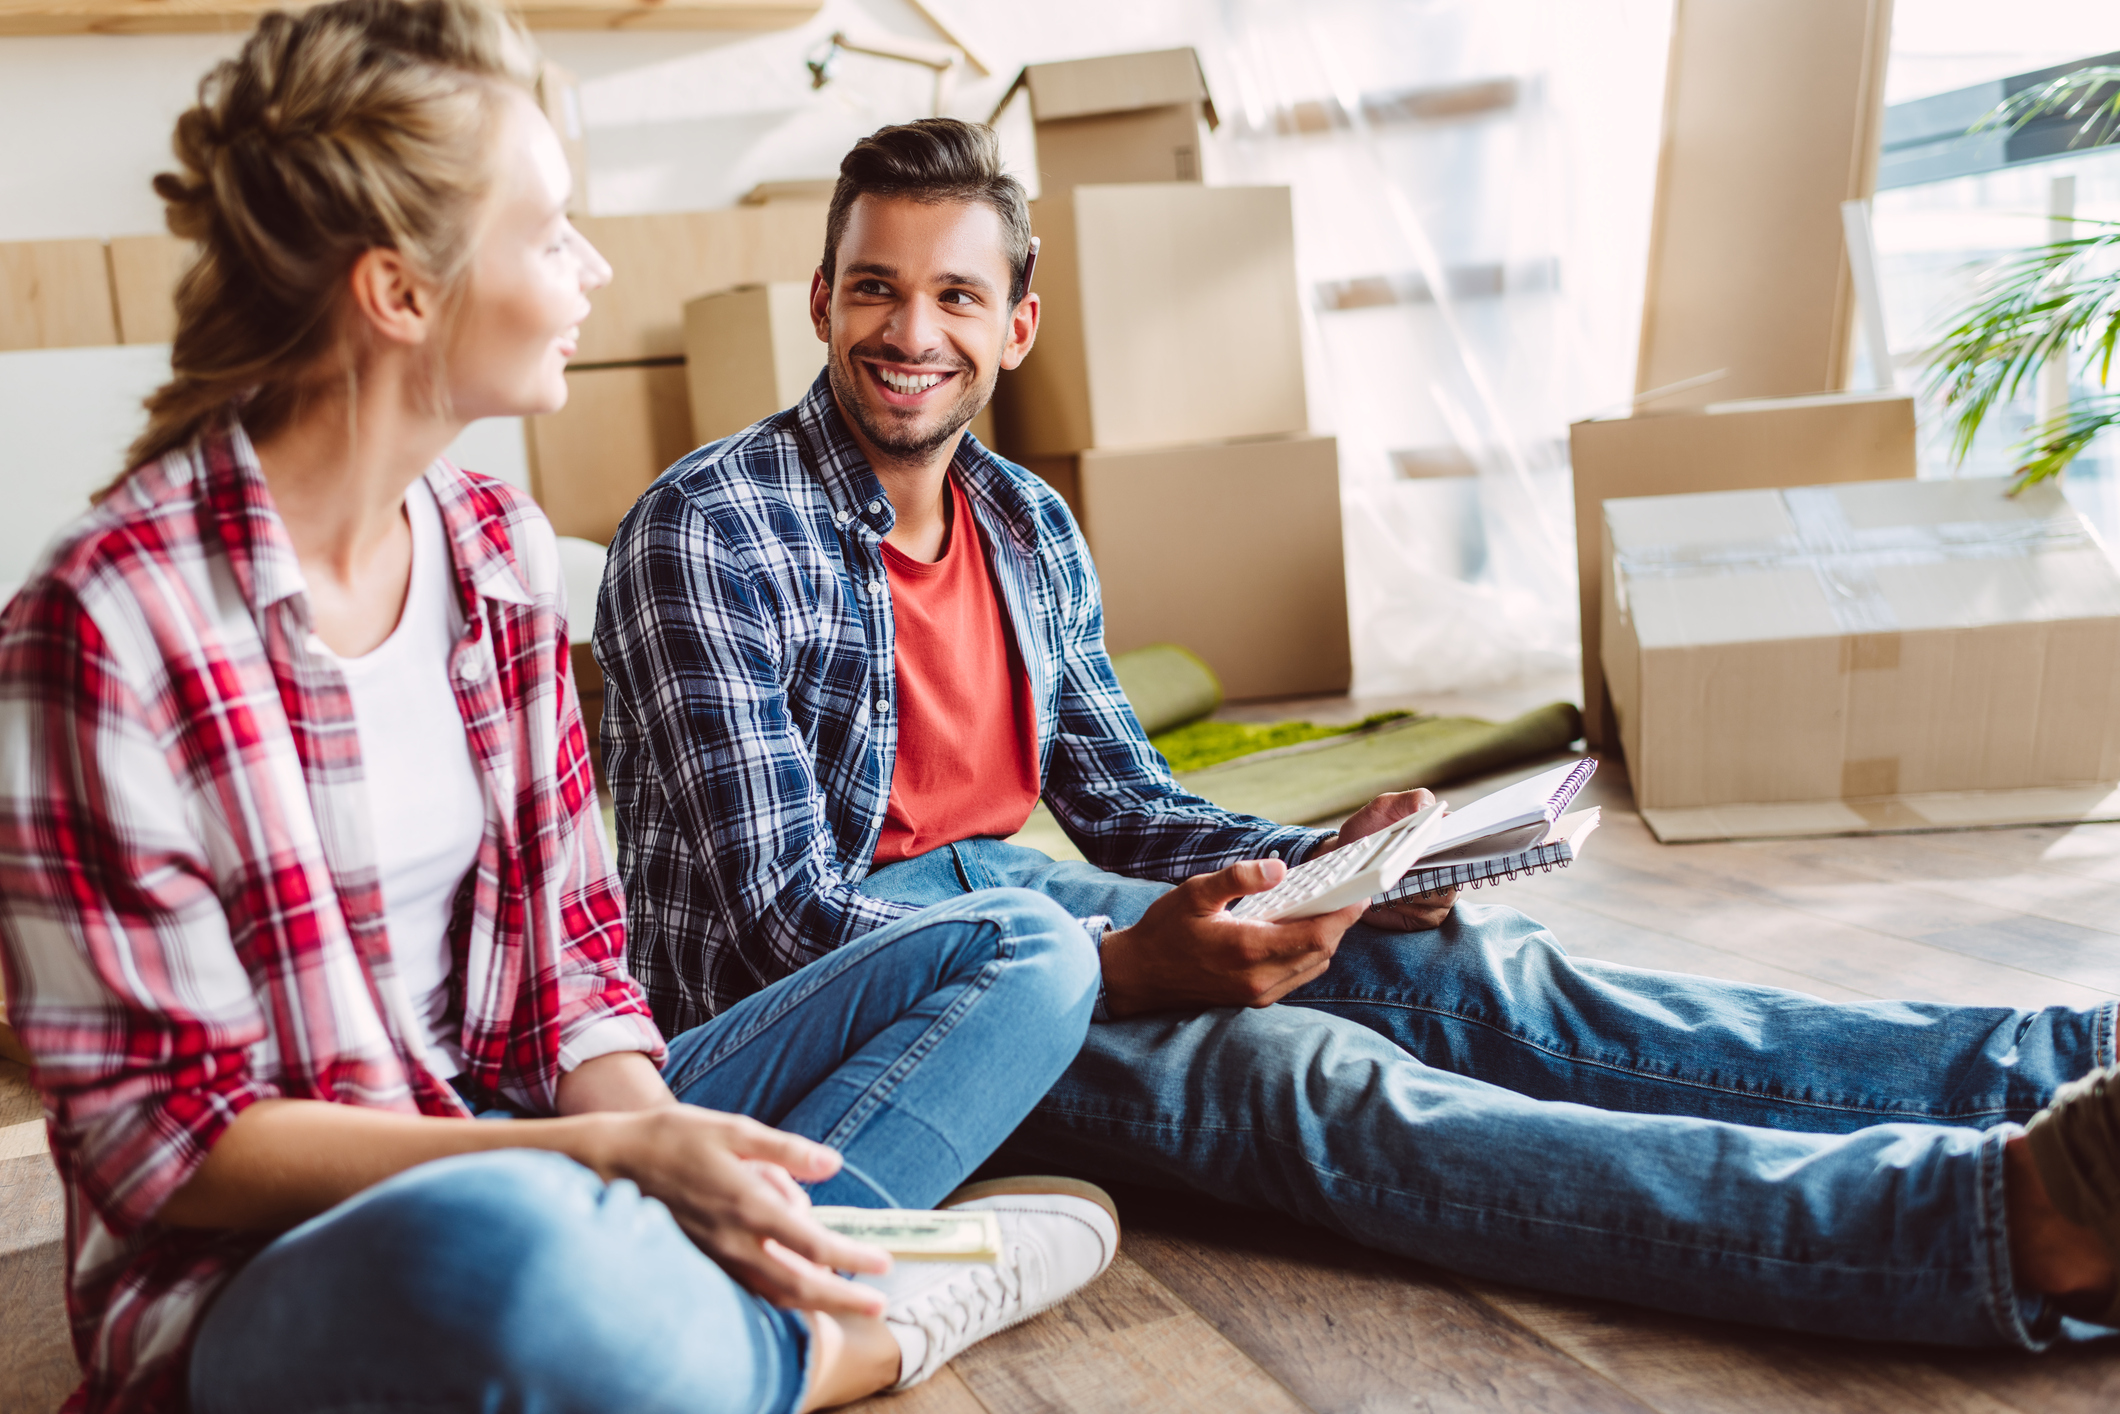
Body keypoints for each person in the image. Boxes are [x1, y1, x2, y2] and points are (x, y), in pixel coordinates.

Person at [597, 112, 2120, 1353]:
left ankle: (2063, 1061)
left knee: (1449, 968)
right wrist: (1136, 967)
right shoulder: (710, 527)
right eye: (873, 287)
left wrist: (1328, 862)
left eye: (952, 295)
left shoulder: (1025, 523)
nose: (907, 330)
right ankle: (1995, 1217)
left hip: (1003, 894)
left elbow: (1124, 801)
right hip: (860, 1002)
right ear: (821, 302)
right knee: (1301, 1081)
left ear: (1016, 325)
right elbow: (779, 924)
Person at [0, 16, 1121, 1414]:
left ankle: (729, 1287)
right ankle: (845, 1327)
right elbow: (169, 1144)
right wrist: (593, 1169)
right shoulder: (105, 624)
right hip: (277, 1262)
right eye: (551, 235)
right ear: (401, 291)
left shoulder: (494, 548)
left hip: (538, 1143)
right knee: (508, 1253)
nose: (591, 269)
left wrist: (657, 1148)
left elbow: (572, 976)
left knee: (1033, 945)